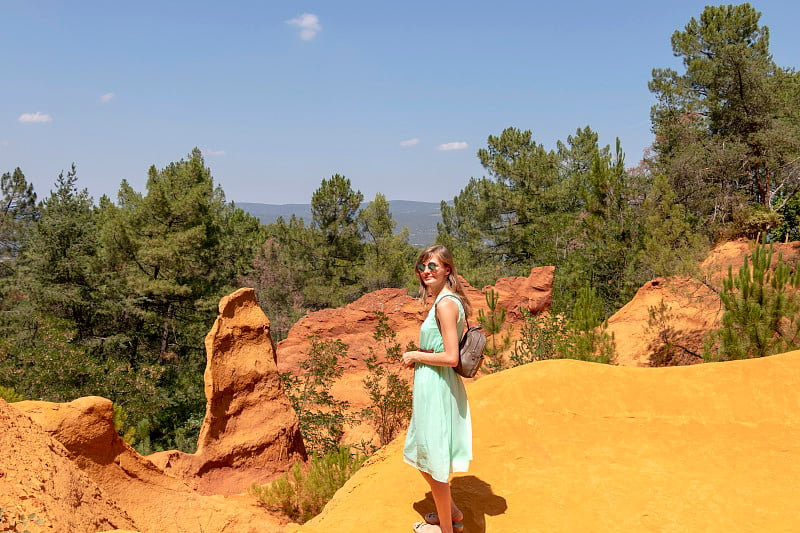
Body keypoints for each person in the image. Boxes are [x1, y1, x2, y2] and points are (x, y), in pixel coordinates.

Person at [401, 244, 472, 533]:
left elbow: (451, 357)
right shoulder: (443, 300)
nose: (426, 272)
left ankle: (446, 529)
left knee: (434, 462)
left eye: (433, 266)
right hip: (432, 384)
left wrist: (415, 355)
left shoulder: (445, 304)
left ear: (447, 269)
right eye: (422, 267)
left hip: (438, 386)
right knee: (421, 454)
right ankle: (452, 514)